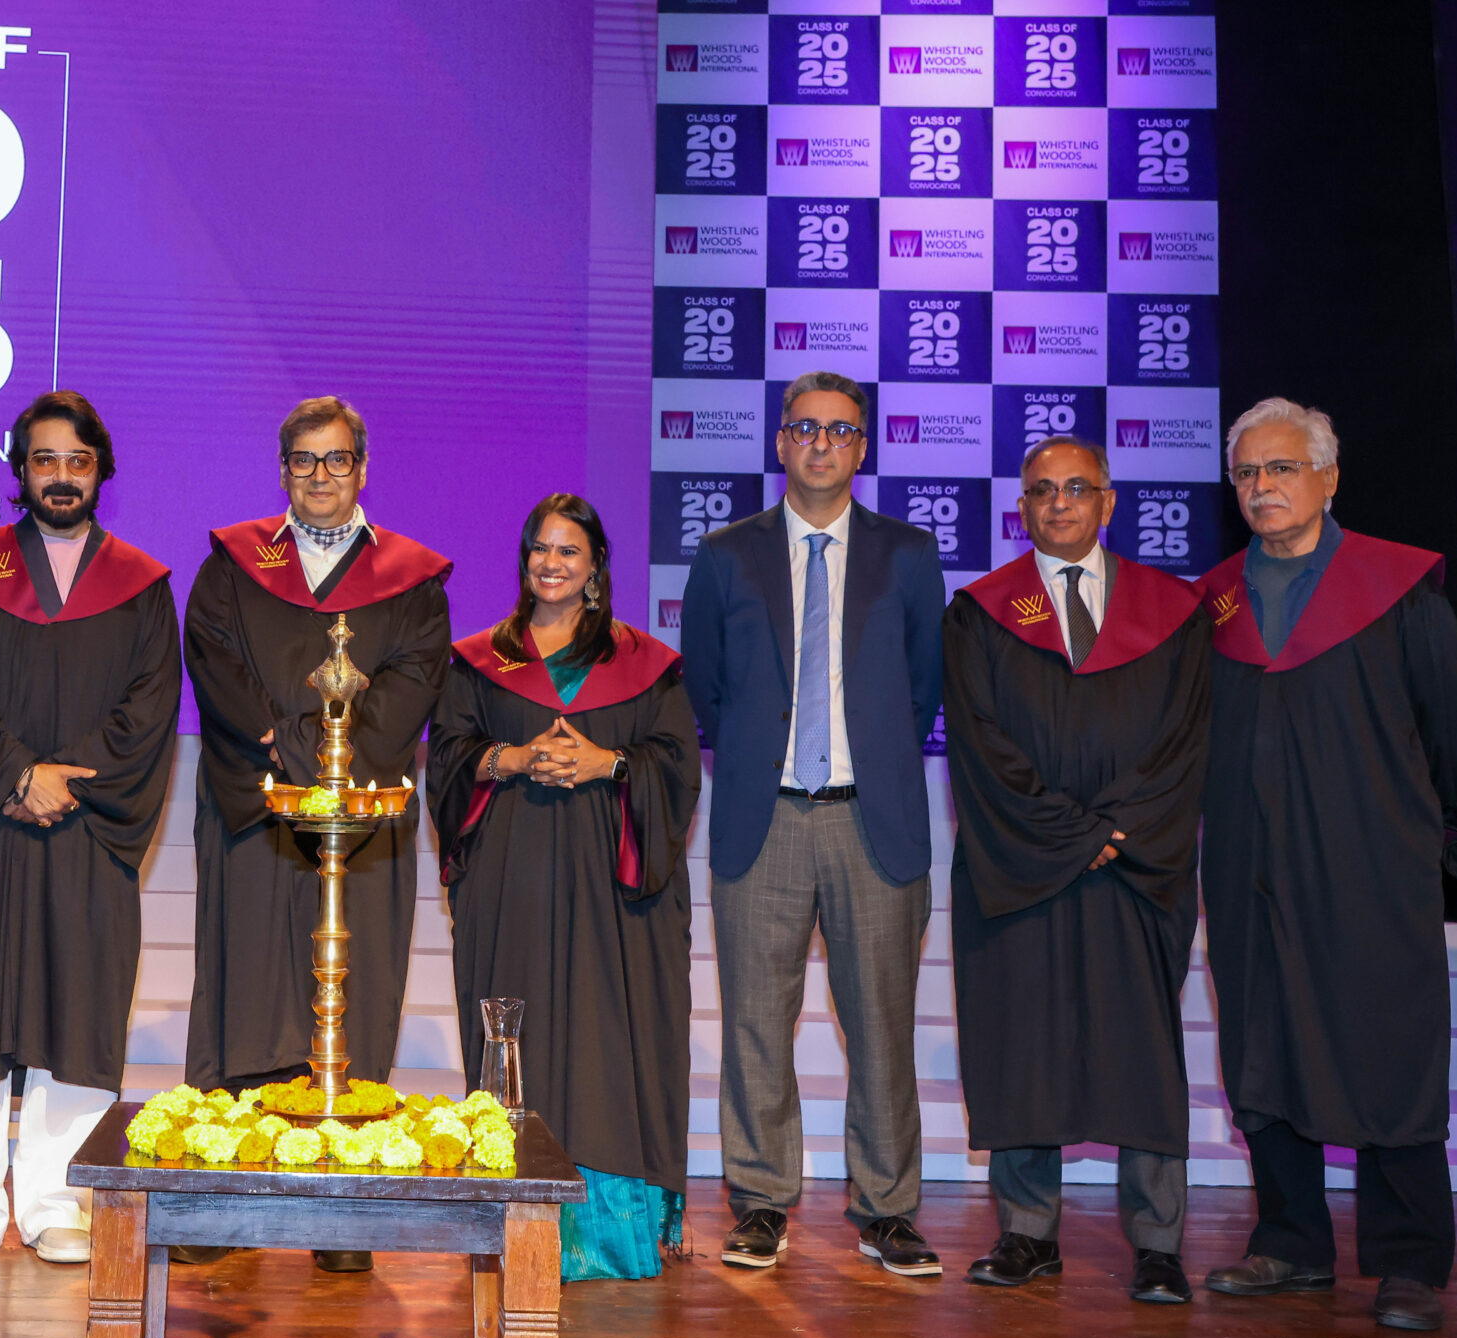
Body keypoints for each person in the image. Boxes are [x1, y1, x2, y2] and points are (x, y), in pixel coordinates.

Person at [1195, 398, 1457, 1332]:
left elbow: (1452, 739)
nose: (1263, 487)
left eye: (1281, 468)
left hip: (1371, 862)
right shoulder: (1216, 601)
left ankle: (1407, 1263)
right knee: (1263, 1045)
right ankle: (1290, 1243)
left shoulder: (1398, 590)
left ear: (1328, 477)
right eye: (1247, 473)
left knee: (1387, 1048)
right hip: (1247, 864)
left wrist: (1431, 850)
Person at [679, 370, 947, 1278]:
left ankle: (888, 1210)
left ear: (862, 448)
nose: (822, 444)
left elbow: (920, 690)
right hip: (767, 819)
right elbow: (706, 688)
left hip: (874, 821)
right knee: (757, 1022)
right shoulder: (725, 555)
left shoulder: (908, 555)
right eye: (804, 429)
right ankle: (759, 1202)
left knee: (881, 1024)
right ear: (780, 443)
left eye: (840, 431)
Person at [0, 390, 182, 1269]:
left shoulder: (140, 586)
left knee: (78, 1002)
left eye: (78, 461)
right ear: (19, 470)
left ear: (101, 469)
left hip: (85, 831)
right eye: (44, 461)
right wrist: (19, 774)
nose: (61, 477)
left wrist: (65, 782)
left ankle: (60, 1196)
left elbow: (149, 711)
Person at [181, 396, 452, 1272]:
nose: (319, 477)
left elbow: (408, 692)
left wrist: (311, 752)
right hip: (256, 808)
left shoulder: (411, 579)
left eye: (335, 461)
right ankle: (225, 1199)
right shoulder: (232, 565)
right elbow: (213, 663)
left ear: (362, 468)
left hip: (363, 814)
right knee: (244, 991)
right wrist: (289, 749)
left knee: (356, 986)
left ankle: (343, 1208)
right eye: (303, 461)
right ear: (283, 468)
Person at [943, 436, 1210, 1304]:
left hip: (1136, 870)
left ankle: (1160, 1242)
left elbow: (1183, 742)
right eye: (1041, 492)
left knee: (1142, 1051)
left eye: (1077, 489)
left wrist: (1117, 833)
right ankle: (1028, 1233)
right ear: (1020, 507)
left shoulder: (1174, 609)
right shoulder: (981, 612)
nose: (1058, 504)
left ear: (1110, 501)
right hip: (1022, 865)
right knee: (1023, 1044)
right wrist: (1069, 835)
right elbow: (981, 748)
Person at [429, 495, 700, 1280]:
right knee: (519, 1026)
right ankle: (511, 1216)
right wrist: (509, 759)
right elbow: (449, 756)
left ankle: (607, 1232)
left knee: (605, 1039)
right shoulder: (481, 658)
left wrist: (608, 763)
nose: (551, 563)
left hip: (612, 887)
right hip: (512, 876)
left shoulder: (644, 662)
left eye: (568, 551)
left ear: (595, 568)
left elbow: (677, 767)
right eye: (539, 550)